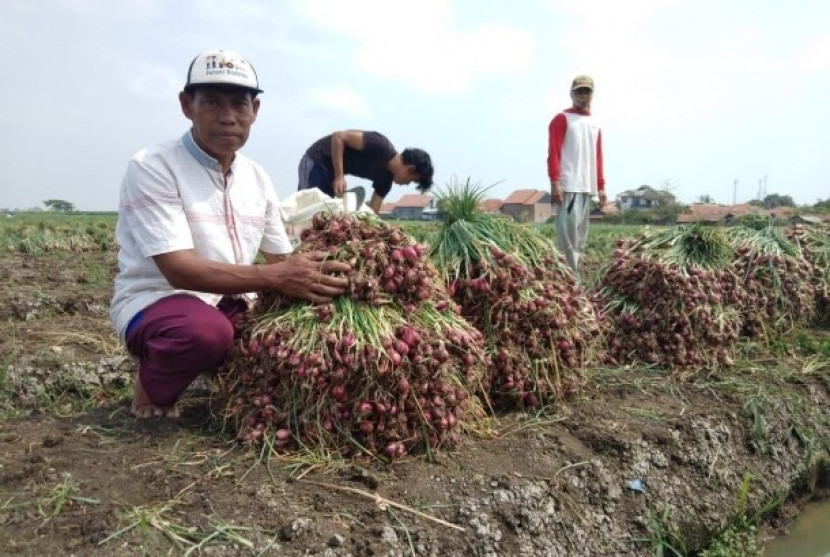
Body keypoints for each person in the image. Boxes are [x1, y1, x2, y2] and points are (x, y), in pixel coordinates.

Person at [110, 50, 351, 419]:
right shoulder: (154, 165)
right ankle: (152, 390)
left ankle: (214, 364)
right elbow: (179, 270)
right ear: (186, 105)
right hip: (160, 302)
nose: (228, 118)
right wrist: (277, 277)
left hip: (233, 303)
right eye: (211, 103)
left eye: (239, 104)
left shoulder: (256, 177)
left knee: (289, 345)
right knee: (204, 334)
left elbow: (280, 259)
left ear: (255, 109)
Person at [547, 74, 607, 274]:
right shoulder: (562, 119)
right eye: (579, 92)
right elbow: (554, 152)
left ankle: (570, 280)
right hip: (568, 187)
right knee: (567, 241)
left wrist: (601, 187)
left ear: (592, 95)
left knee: (579, 240)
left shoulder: (595, 123)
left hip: (586, 188)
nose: (583, 96)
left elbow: (597, 156)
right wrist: (555, 183)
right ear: (571, 94)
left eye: (587, 92)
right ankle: (570, 282)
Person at [298, 130, 434, 213]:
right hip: (318, 160)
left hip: (331, 174)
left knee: (323, 213)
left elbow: (372, 213)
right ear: (410, 169)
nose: (406, 184)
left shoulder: (385, 181)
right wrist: (339, 176)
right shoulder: (381, 145)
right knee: (311, 208)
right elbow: (339, 137)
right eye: (411, 180)